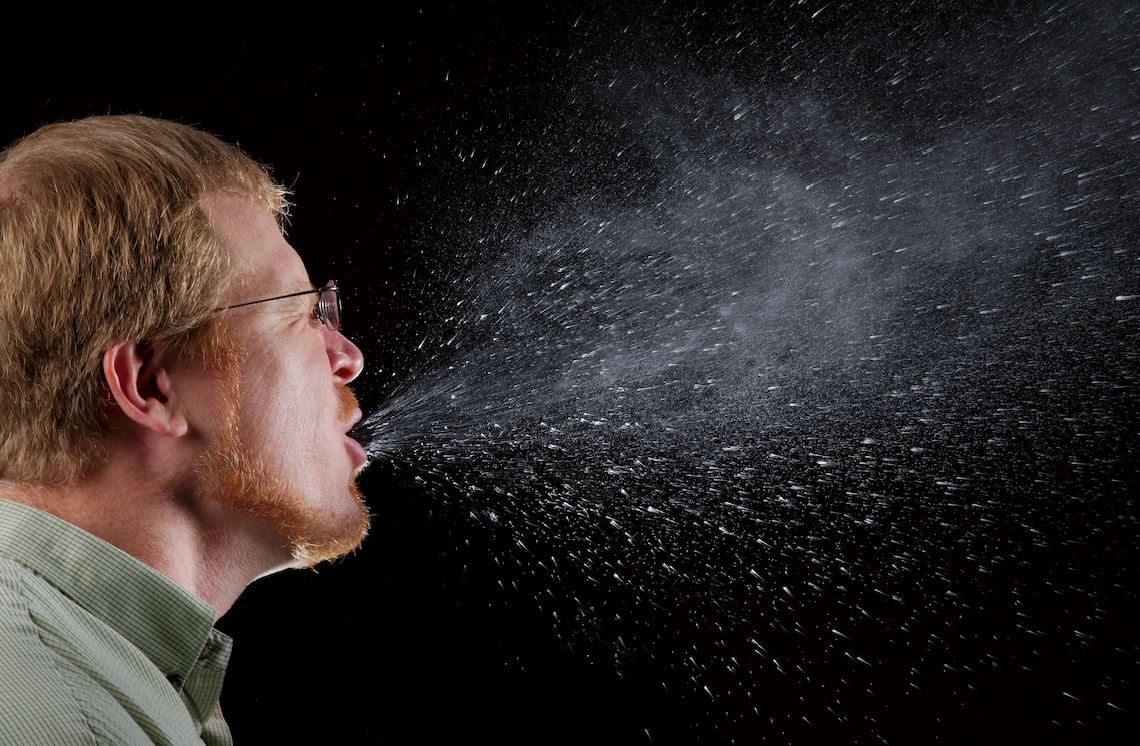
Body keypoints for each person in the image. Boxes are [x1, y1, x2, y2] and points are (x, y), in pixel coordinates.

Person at [0, 115, 370, 745]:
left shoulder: (93, 670)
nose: (347, 357)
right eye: (301, 315)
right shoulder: (70, 723)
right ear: (151, 385)